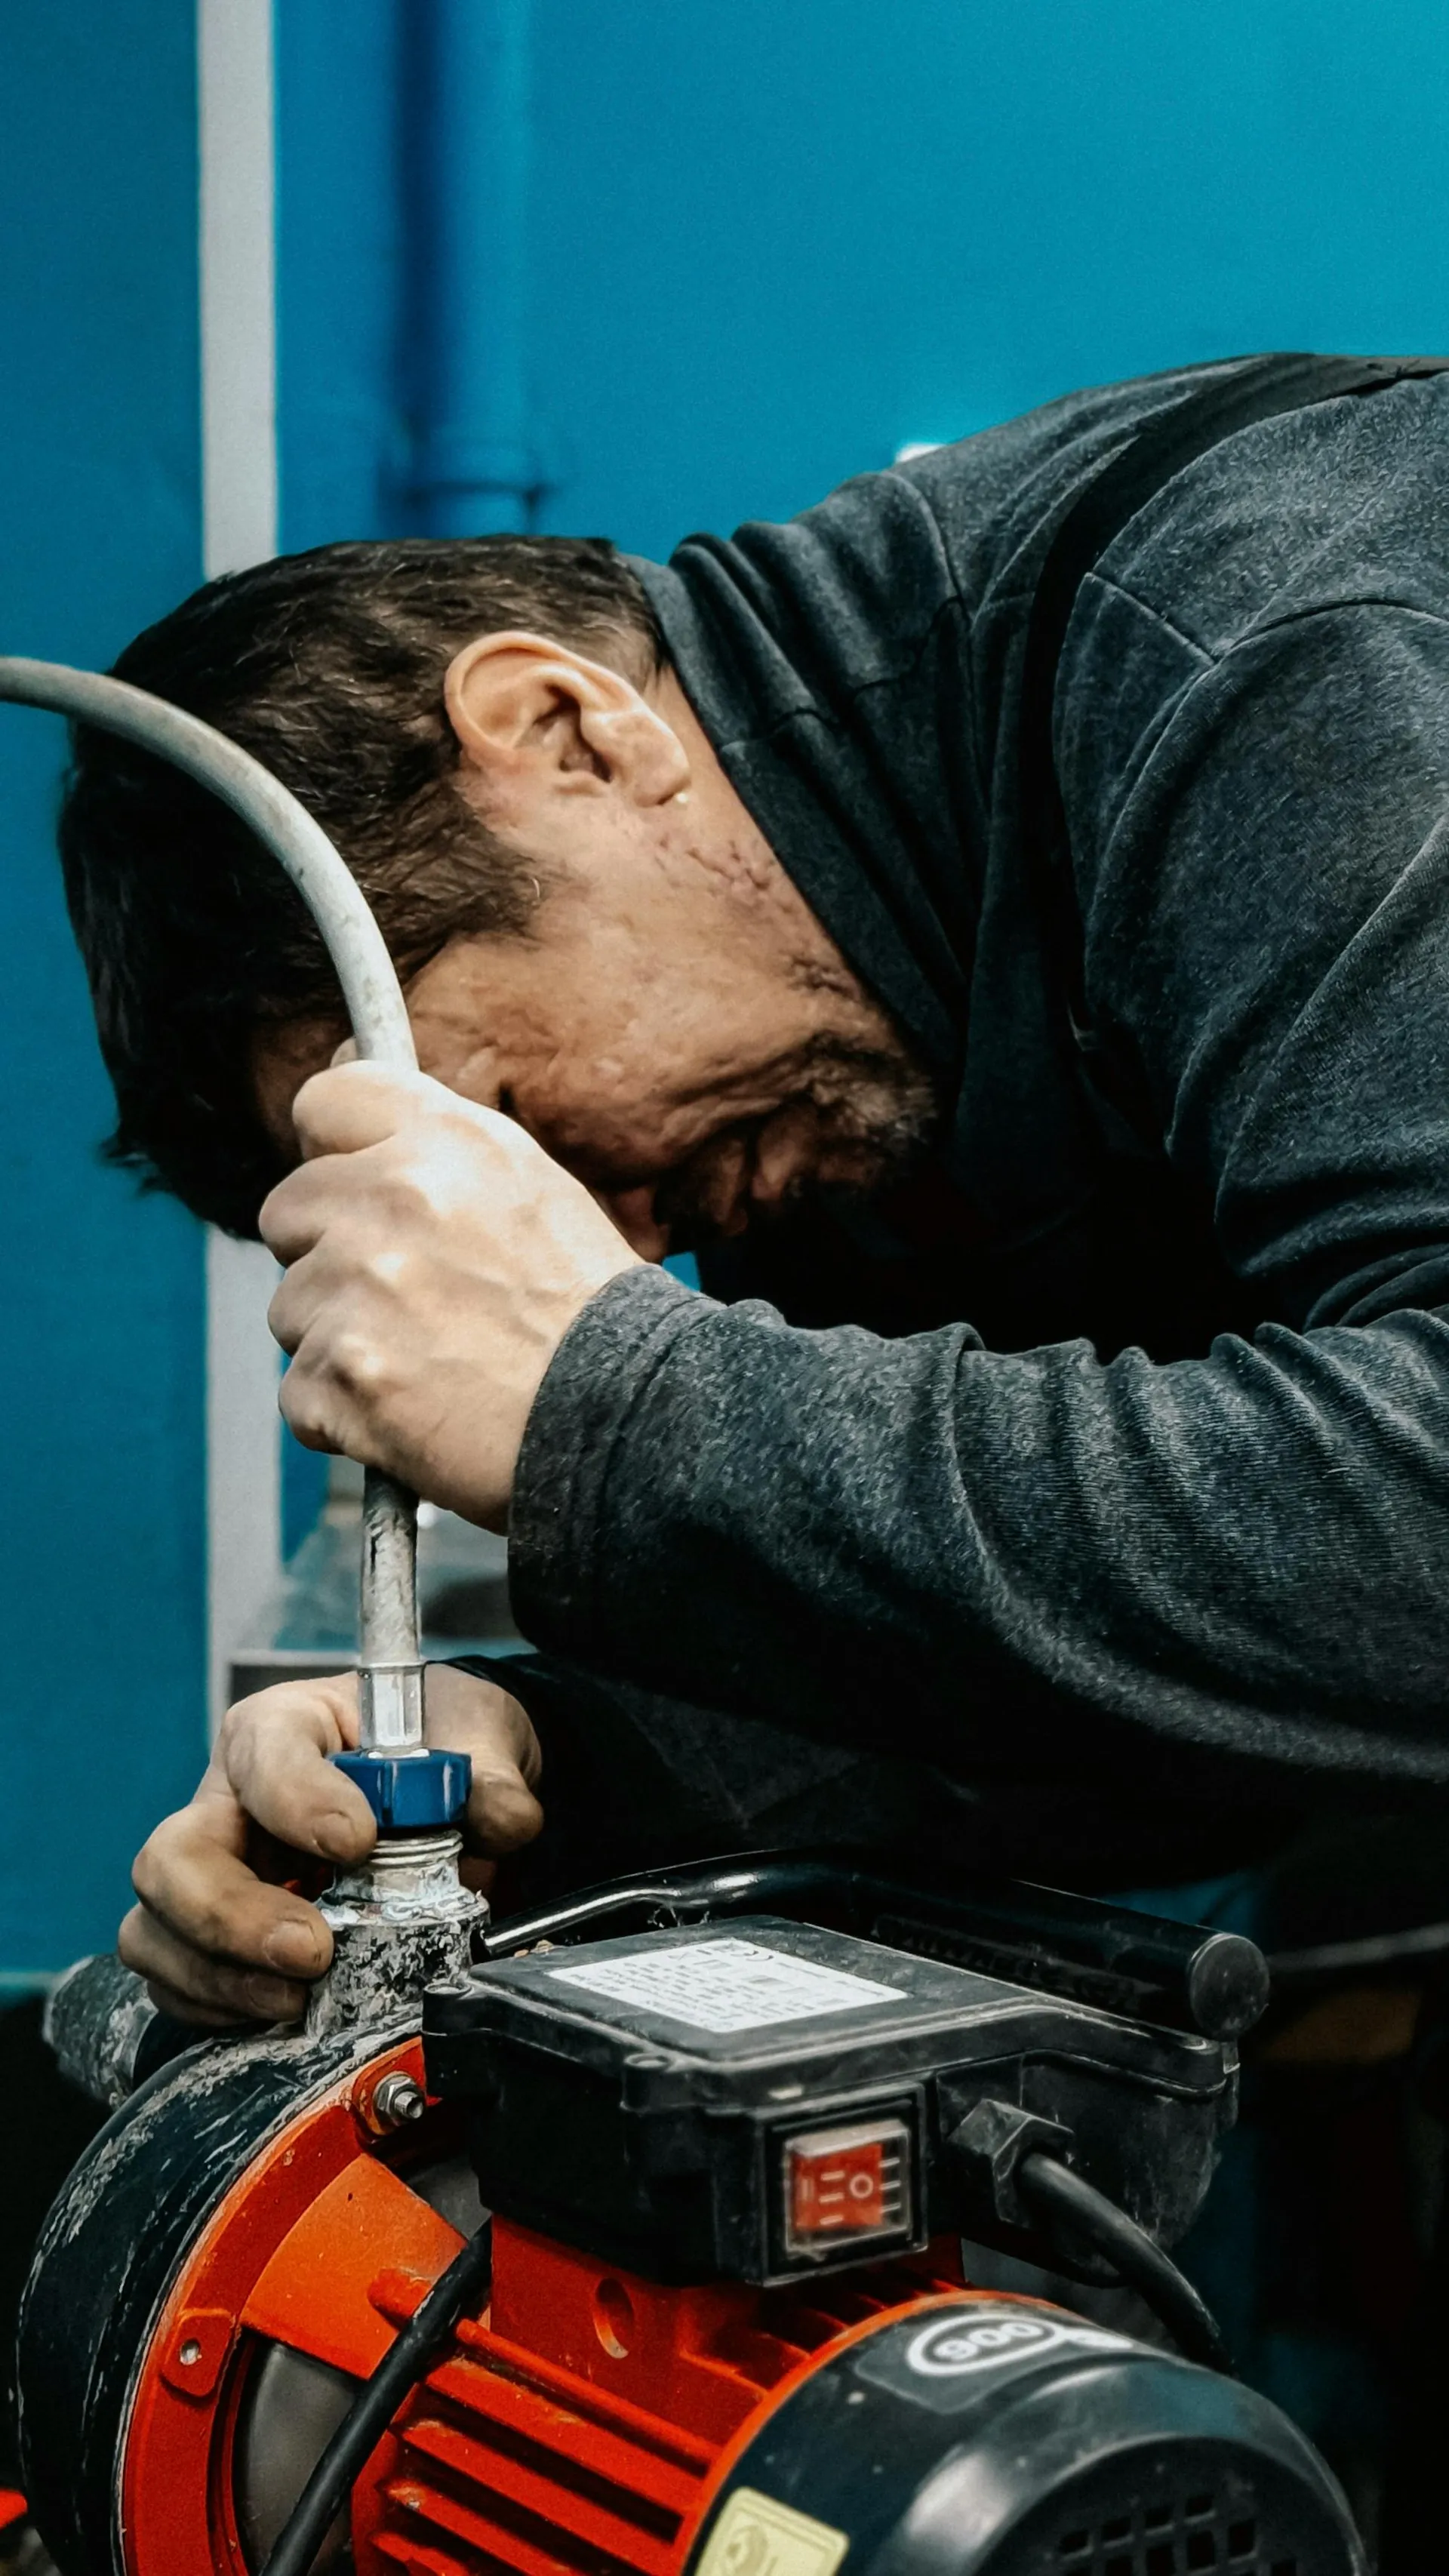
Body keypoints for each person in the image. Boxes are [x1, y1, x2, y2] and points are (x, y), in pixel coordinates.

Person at [54, 351, 1449, 2030]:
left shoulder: (1270, 642)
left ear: (562, 727)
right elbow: (1154, 1691)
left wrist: (621, 1405)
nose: (626, 1240)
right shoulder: (832, 1050)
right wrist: (550, 1769)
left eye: (507, 1116)